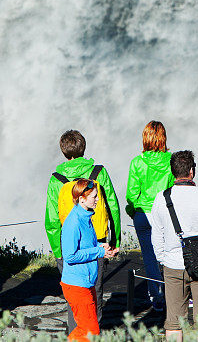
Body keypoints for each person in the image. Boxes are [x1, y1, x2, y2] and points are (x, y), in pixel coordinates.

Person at [44, 130, 121, 334]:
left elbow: (51, 219)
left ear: (63, 151)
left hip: (69, 244)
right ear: (83, 147)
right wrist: (116, 238)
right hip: (98, 240)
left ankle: (76, 332)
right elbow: (113, 206)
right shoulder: (98, 172)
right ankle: (93, 332)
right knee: (95, 292)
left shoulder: (56, 179)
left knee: (75, 294)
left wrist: (58, 251)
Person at [150, 150, 198, 341]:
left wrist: (162, 259)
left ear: (173, 172)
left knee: (174, 323)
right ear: (192, 171)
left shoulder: (162, 198)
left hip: (173, 265)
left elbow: (156, 234)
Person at [60, 179, 118, 342]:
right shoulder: (73, 222)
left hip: (86, 281)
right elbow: (70, 256)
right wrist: (98, 251)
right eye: (94, 196)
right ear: (82, 199)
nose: (98, 199)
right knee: (91, 331)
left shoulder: (85, 217)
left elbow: (87, 245)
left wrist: (103, 247)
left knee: (86, 329)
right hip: (76, 285)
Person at [125, 120, 173, 311]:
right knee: (170, 254)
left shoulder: (137, 162)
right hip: (165, 214)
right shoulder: (170, 160)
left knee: (150, 257)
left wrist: (133, 211)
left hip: (143, 215)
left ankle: (157, 296)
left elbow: (131, 194)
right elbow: (172, 190)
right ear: (163, 138)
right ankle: (177, 293)